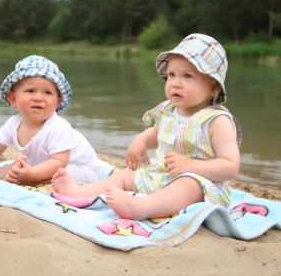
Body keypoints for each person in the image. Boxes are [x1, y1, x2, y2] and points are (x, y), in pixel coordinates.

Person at [52, 33, 241, 220]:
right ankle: (81, 192)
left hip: (200, 184)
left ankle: (140, 207)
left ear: (213, 87)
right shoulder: (170, 111)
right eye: (171, 75)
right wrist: (141, 139)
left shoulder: (217, 121)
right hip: (161, 176)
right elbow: (159, 132)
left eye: (187, 76)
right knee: (126, 175)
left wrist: (191, 166)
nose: (175, 83)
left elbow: (230, 166)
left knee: (188, 185)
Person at [0, 55, 108, 186]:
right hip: (42, 163)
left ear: (57, 102)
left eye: (47, 93)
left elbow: (59, 161)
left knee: (55, 175)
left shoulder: (57, 127)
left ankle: (30, 179)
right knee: (14, 168)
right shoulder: (13, 124)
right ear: (13, 98)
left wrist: (32, 175)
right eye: (30, 91)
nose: (38, 98)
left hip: (80, 168)